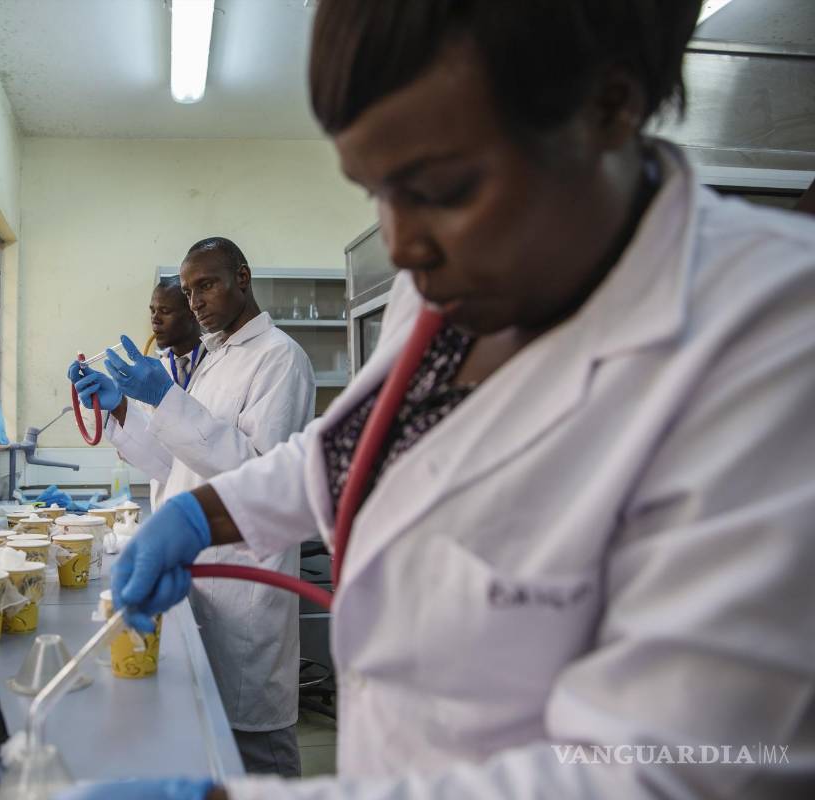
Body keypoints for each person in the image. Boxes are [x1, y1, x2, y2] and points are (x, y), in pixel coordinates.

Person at [61, 1, 815, 798]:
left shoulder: (771, 341)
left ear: (609, 106)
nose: (404, 246)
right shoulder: (439, 293)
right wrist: (200, 516)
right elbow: (355, 453)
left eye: (443, 185)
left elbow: (665, 773)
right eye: (375, 190)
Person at [67, 237, 316, 777]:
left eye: (206, 284)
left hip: (247, 583)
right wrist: (122, 411)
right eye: (187, 290)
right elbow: (174, 465)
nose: (195, 300)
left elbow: (259, 476)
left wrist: (167, 399)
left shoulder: (280, 358)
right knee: (209, 740)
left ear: (242, 278)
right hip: (201, 581)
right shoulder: (212, 359)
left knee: (258, 749)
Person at [145, 275, 207, 510]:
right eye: (152, 311)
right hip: (164, 502)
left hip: (205, 502)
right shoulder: (155, 371)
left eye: (165, 311)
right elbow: (145, 444)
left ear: (191, 312)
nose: (155, 320)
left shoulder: (217, 363)